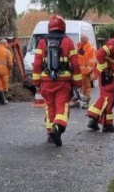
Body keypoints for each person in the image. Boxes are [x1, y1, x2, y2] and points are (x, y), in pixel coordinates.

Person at [30, 14, 80, 146]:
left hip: (46, 82)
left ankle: (50, 133)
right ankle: (57, 129)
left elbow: (37, 64)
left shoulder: (42, 41)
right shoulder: (68, 41)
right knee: (62, 107)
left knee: (49, 107)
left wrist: (36, 82)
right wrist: (78, 83)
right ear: (63, 27)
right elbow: (75, 64)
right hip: (63, 82)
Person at [75, 34, 96, 106]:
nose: (82, 39)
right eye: (81, 38)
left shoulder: (91, 49)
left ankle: (86, 102)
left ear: (87, 39)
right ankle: (77, 101)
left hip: (85, 72)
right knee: (78, 87)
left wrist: (87, 71)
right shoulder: (79, 48)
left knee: (86, 88)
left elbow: (92, 62)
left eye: (84, 38)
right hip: (78, 71)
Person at [0, 37, 14, 105]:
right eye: (6, 43)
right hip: (4, 70)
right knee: (5, 84)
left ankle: (2, 99)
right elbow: (10, 64)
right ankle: (4, 100)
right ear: (4, 43)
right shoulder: (7, 52)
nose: (7, 45)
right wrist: (10, 70)